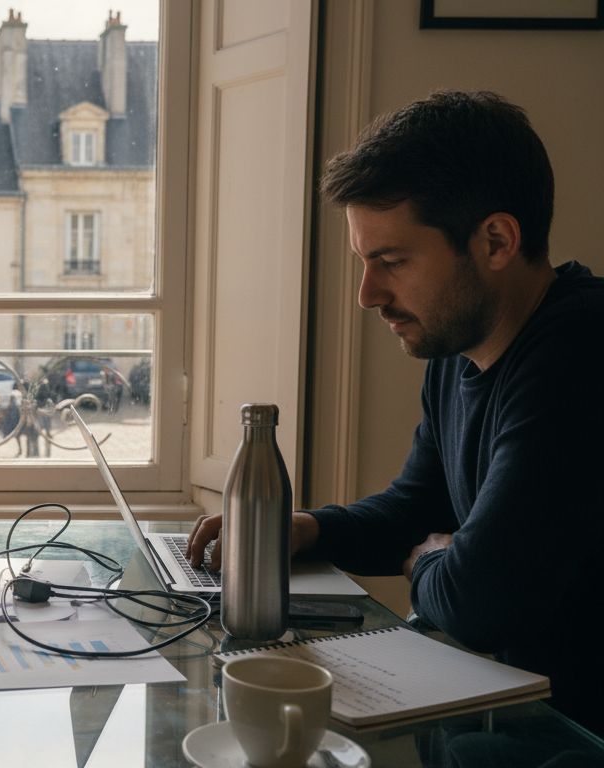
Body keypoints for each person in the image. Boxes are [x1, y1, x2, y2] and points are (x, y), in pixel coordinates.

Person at [186, 91, 604, 734]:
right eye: (363, 262)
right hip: (511, 714)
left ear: (495, 241)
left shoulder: (580, 351)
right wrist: (308, 529)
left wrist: (431, 562)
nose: (367, 295)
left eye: (393, 262)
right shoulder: (459, 346)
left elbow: (479, 599)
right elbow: (419, 508)